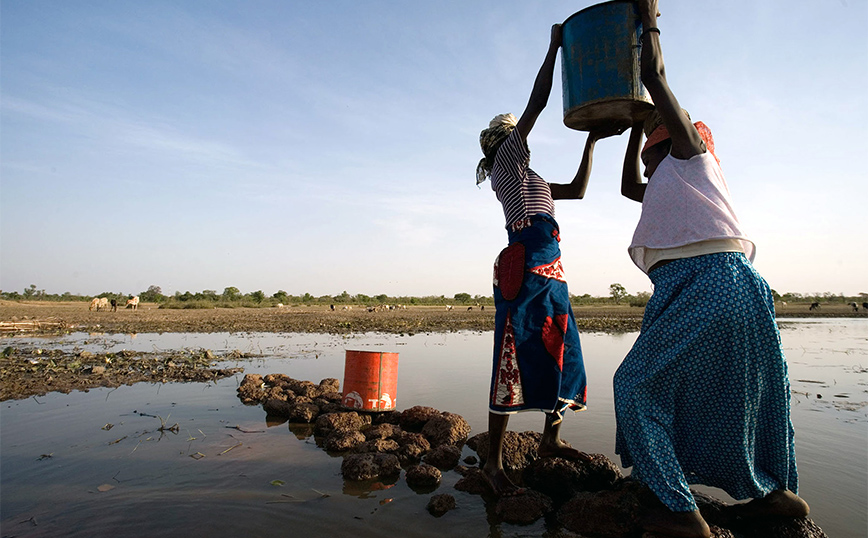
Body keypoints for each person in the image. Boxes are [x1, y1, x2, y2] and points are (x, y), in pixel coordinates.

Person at [615, 1, 809, 536]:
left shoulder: (692, 156)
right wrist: (634, 124)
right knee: (746, 395)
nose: (651, 157)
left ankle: (680, 514)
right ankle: (775, 493)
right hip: (733, 286)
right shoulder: (670, 184)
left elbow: (654, 75)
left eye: (655, 143)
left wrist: (646, 17)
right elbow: (628, 186)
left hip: (707, 284)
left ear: (675, 142)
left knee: (634, 386)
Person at [476, 23, 620, 497]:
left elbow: (576, 190)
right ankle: (493, 467)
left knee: (564, 354)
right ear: (504, 140)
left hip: (552, 272)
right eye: (516, 132)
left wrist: (594, 140)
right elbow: (538, 102)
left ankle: (549, 443)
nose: (525, 135)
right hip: (525, 270)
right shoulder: (506, 164)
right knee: (511, 359)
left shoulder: (531, 175)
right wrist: (556, 46)